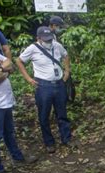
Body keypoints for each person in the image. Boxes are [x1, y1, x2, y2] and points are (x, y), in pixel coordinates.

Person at [16, 26, 73, 154]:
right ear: (38, 38)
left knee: (62, 114)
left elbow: (66, 55)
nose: (49, 42)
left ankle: (66, 138)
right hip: (43, 86)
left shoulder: (57, 45)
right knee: (44, 116)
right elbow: (19, 61)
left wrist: (67, 71)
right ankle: (49, 142)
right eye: (46, 40)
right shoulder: (32, 49)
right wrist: (28, 78)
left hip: (59, 84)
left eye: (50, 39)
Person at [0, 46, 37, 173]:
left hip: (5, 101)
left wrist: (2, 69)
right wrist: (4, 69)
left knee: (9, 132)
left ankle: (18, 158)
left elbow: (10, 63)